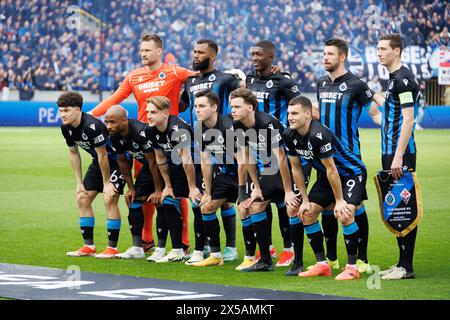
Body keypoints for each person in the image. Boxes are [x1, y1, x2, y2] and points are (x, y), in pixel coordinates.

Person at [89, 34, 195, 254]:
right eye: (141, 50)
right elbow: (114, 99)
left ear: (159, 51)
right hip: (143, 142)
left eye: (147, 50)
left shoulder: (175, 72)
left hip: (171, 140)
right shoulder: (134, 76)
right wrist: (92, 114)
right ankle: (145, 241)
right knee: (143, 192)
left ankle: (182, 244)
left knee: (175, 192)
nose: (143, 54)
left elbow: (203, 76)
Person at [311, 38, 383, 274]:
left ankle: (361, 260)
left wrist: (392, 124)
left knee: (355, 207)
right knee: (328, 205)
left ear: (342, 57)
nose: (325, 57)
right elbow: (320, 114)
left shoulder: (356, 84)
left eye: (330, 54)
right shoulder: (321, 83)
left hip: (349, 158)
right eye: (323, 53)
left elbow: (374, 112)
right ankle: (330, 259)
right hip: (325, 158)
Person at [284, 95, 367, 281]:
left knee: (344, 213)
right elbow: (296, 168)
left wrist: (339, 201)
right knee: (306, 214)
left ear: (307, 114)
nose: (290, 117)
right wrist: (305, 200)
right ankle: (322, 264)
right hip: (328, 176)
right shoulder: (289, 134)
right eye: (289, 113)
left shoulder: (318, 134)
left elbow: (332, 170)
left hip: (351, 173)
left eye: (295, 113)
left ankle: (352, 268)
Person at [245, 40, 308, 267]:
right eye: (253, 53)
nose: (254, 57)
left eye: (259, 54)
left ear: (271, 57)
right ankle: (269, 249)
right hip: (257, 149)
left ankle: (288, 249)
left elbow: (301, 103)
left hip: (279, 146)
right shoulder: (249, 79)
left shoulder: (282, 81)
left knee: (282, 200)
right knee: (264, 199)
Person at [179, 39, 242, 262]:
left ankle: (230, 247)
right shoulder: (189, 81)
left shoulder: (226, 78)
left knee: (222, 199)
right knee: (199, 197)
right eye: (194, 51)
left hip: (224, 145)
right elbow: (183, 106)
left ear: (212, 55)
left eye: (200, 52)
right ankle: (204, 245)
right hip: (197, 144)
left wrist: (242, 81)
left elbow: (244, 98)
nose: (195, 55)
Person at [231, 88, 296, 272]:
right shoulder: (237, 126)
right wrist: (255, 187)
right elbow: (245, 158)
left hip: (288, 164)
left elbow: (282, 157)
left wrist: (288, 189)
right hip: (265, 168)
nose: (232, 110)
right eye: (231, 106)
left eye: (237, 106)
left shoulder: (267, 123)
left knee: (285, 205)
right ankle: (266, 258)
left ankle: (290, 251)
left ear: (250, 107)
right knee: (254, 205)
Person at [58, 91, 125, 259]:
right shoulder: (65, 128)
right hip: (99, 161)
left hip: (119, 161)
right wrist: (79, 183)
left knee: (109, 199)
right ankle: (89, 246)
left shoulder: (92, 126)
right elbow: (74, 154)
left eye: (66, 110)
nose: (62, 114)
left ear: (78, 110)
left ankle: (112, 248)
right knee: (82, 198)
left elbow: (104, 155)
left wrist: (107, 182)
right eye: (60, 110)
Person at [377, 34, 419, 280]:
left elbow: (409, 119)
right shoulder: (394, 79)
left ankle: (407, 267)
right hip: (391, 152)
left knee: (404, 206)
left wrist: (398, 156)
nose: (379, 52)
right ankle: (401, 263)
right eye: (378, 48)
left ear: (397, 51)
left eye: (383, 49)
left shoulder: (403, 80)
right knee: (395, 207)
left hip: (399, 154)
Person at [146, 96, 203, 263]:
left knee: (198, 204)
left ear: (165, 113)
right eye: (148, 111)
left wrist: (192, 187)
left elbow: (188, 159)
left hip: (199, 166)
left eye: (153, 112)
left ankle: (200, 251)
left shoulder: (178, 129)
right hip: (177, 166)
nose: (148, 115)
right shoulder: (151, 130)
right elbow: (161, 159)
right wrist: (168, 186)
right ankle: (177, 250)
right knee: (169, 201)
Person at [103, 106, 164, 259]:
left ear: (124, 121)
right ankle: (137, 248)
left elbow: (154, 162)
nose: (108, 126)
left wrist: (157, 190)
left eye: (112, 122)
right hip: (148, 168)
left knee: (162, 202)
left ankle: (162, 250)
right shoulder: (114, 136)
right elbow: (123, 161)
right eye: (106, 122)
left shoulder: (140, 132)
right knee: (135, 201)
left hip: (164, 166)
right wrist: (131, 188)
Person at [190, 89, 239, 266]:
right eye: (196, 106)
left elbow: (242, 160)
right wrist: (208, 192)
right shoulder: (199, 128)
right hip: (226, 174)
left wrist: (246, 189)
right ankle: (216, 255)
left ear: (214, 107)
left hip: (246, 173)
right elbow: (205, 161)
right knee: (207, 206)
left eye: (202, 106)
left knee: (252, 208)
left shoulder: (228, 126)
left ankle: (254, 255)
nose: (197, 110)